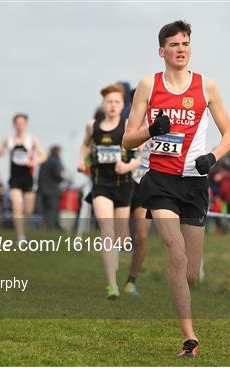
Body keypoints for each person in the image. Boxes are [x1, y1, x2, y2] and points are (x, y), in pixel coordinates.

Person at [122, 20, 230, 357]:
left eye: (185, 43)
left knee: (190, 272)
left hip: (194, 183)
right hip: (160, 181)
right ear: (162, 51)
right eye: (173, 44)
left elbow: (229, 134)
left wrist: (211, 158)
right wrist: (150, 130)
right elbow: (128, 139)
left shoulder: (206, 86)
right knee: (173, 248)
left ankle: (185, 290)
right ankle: (189, 337)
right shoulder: (148, 85)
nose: (181, 49)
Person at [77, 84, 140, 300]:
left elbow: (142, 156)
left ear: (122, 106)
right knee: (107, 232)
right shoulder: (91, 126)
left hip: (123, 185)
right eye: (109, 102)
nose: (112, 105)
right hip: (101, 185)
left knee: (122, 237)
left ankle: (121, 262)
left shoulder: (128, 126)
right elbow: (85, 146)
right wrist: (81, 161)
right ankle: (111, 285)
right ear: (103, 105)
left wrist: (128, 166)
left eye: (117, 102)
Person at [0, 113, 46, 241]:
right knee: (17, 206)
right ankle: (21, 237)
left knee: (28, 210)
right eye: (17, 123)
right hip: (14, 178)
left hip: (28, 178)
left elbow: (43, 155)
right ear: (14, 125)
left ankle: (22, 228)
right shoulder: (8, 139)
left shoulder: (31, 139)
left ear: (26, 125)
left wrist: (34, 162)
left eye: (22, 123)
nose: (20, 126)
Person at [123, 89, 152, 297]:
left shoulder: (157, 125)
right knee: (120, 235)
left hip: (145, 187)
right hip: (122, 187)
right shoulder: (123, 126)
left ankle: (131, 281)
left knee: (141, 236)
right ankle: (110, 277)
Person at [37, 145, 64, 229]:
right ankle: (51, 226)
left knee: (44, 209)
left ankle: (44, 225)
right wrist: (63, 179)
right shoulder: (56, 160)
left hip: (42, 189)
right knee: (53, 209)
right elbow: (57, 175)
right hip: (52, 189)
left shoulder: (44, 160)